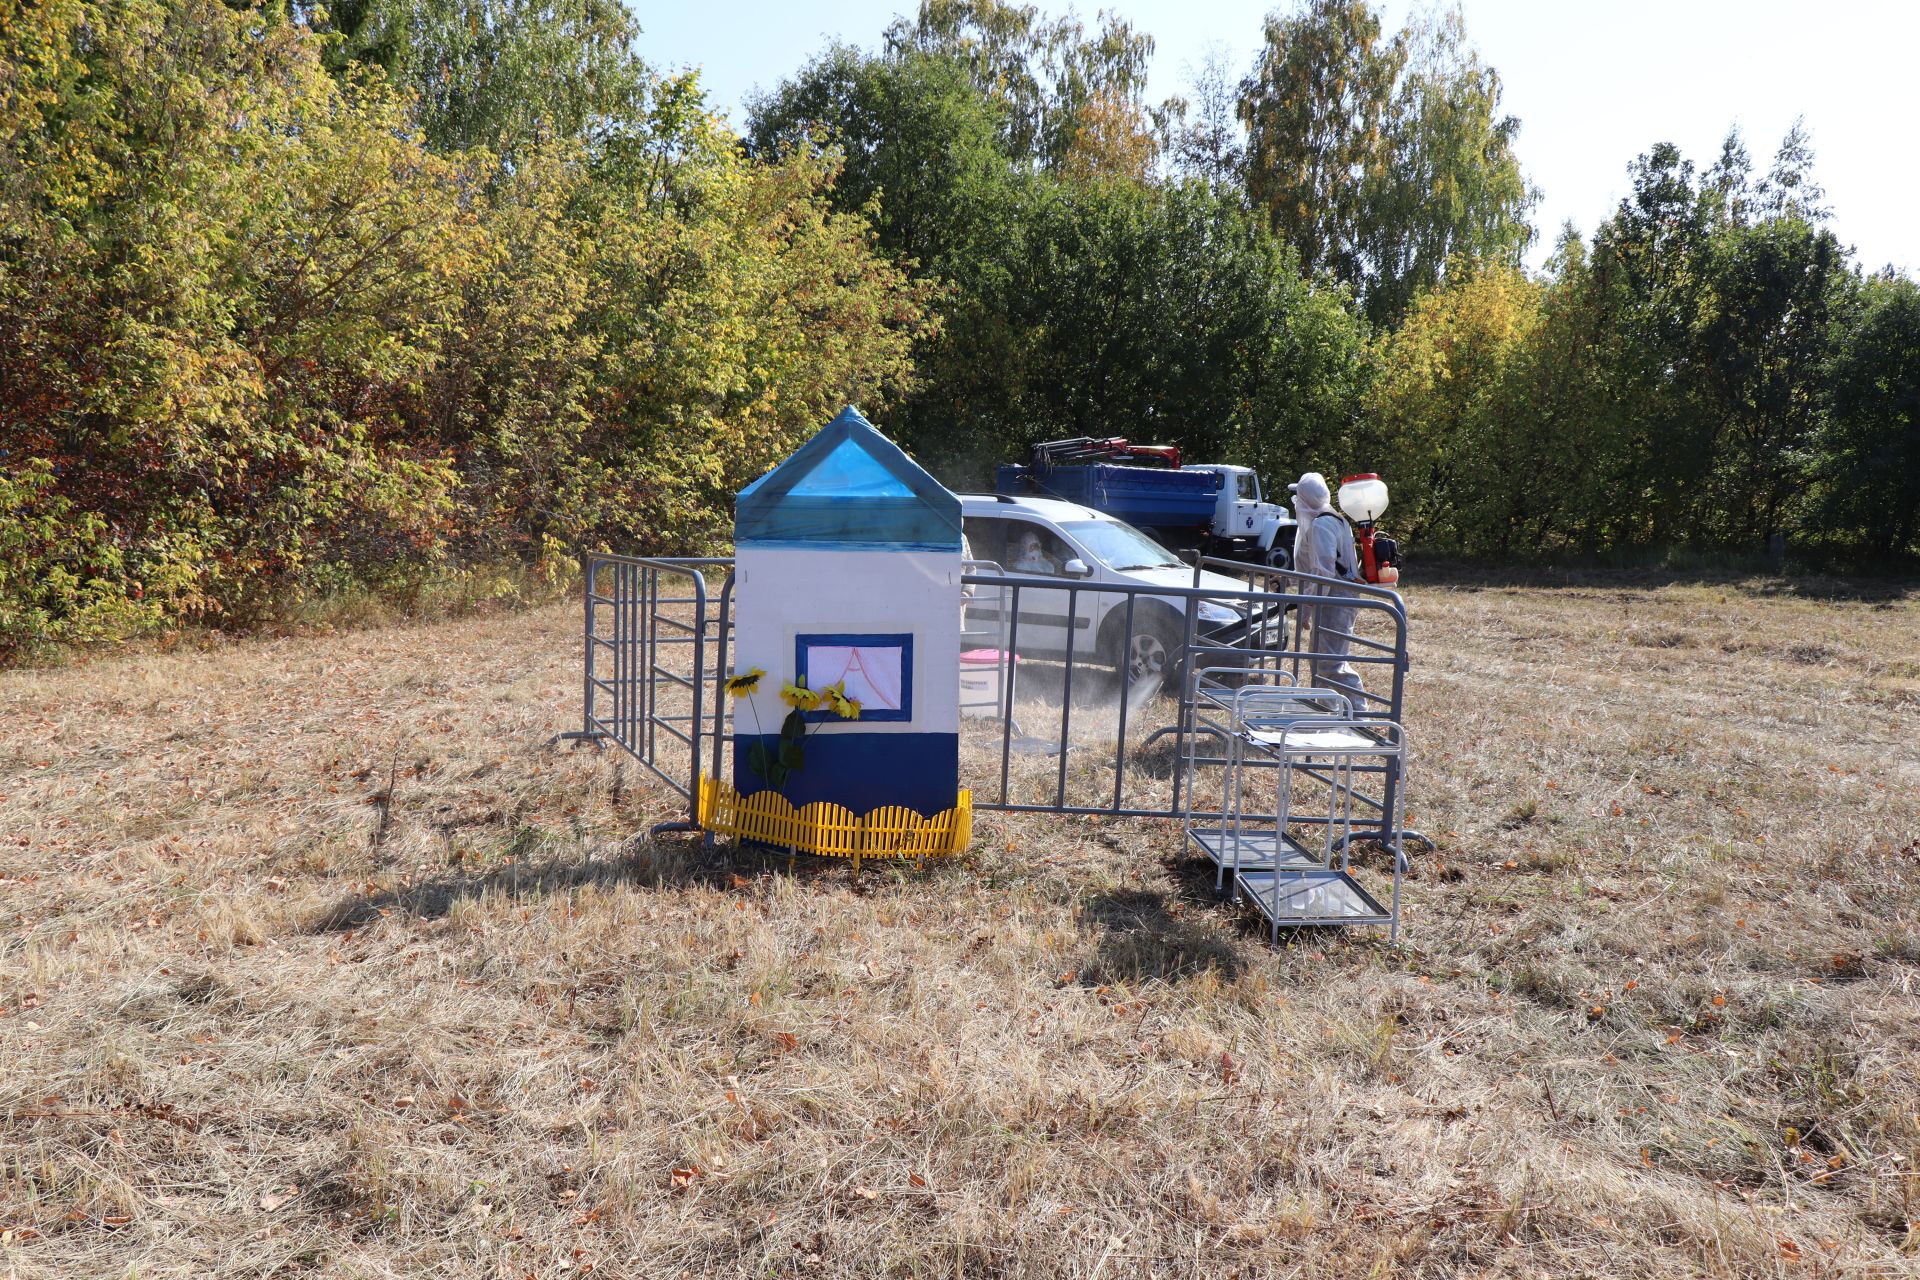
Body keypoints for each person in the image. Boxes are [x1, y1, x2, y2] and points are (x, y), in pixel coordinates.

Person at [1288, 471, 1365, 708]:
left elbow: (1324, 573)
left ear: (1304, 500)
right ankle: (1326, 714)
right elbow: (1317, 567)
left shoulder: (1322, 525)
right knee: (1320, 661)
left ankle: (1360, 715)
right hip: (1335, 597)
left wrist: (1307, 606)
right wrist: (1288, 582)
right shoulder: (1334, 519)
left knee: (1331, 664)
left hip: (1334, 600)